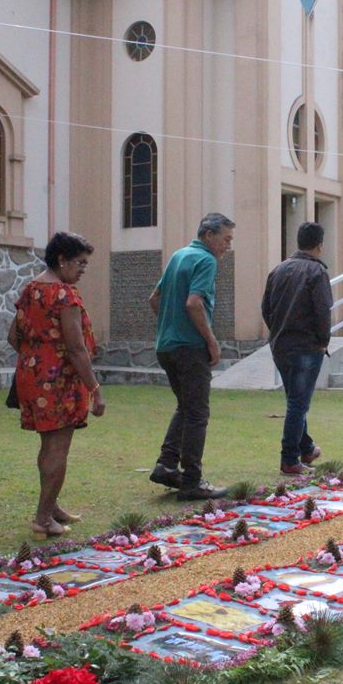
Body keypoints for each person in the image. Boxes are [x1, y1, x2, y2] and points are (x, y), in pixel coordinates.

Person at [8, 231, 106, 539]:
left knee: (48, 444)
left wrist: (35, 359)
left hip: (32, 375)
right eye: (79, 263)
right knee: (58, 447)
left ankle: (50, 507)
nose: (82, 270)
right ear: (61, 260)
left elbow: (14, 337)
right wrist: (95, 389)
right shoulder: (65, 295)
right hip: (59, 378)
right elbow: (76, 348)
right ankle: (42, 518)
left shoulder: (30, 289)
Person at [148, 213, 234, 500]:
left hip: (166, 346)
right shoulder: (206, 260)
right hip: (189, 348)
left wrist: (170, 324)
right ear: (208, 235)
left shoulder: (178, 256)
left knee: (186, 407)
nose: (227, 246)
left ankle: (166, 465)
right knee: (198, 413)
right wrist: (211, 341)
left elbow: (154, 299)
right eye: (225, 239)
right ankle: (192, 480)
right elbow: (194, 303)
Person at [262, 221, 333, 476]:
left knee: (295, 400)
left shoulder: (278, 270)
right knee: (298, 404)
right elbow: (322, 311)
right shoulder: (317, 272)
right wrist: (323, 339)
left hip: (281, 345)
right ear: (319, 245)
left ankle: (306, 447)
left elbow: (266, 309)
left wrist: (278, 331)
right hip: (306, 346)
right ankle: (290, 459)